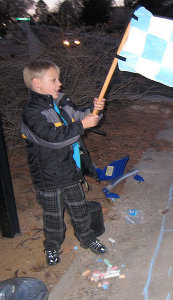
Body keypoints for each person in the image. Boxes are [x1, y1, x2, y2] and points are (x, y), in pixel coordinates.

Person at [21, 60, 107, 266]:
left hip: (70, 169)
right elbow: (51, 138)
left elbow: (79, 116)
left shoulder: (62, 102)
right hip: (48, 176)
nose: (59, 84)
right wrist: (81, 126)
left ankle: (87, 238)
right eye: (54, 80)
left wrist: (94, 110)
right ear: (37, 83)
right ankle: (51, 246)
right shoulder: (32, 112)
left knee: (80, 210)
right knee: (53, 217)